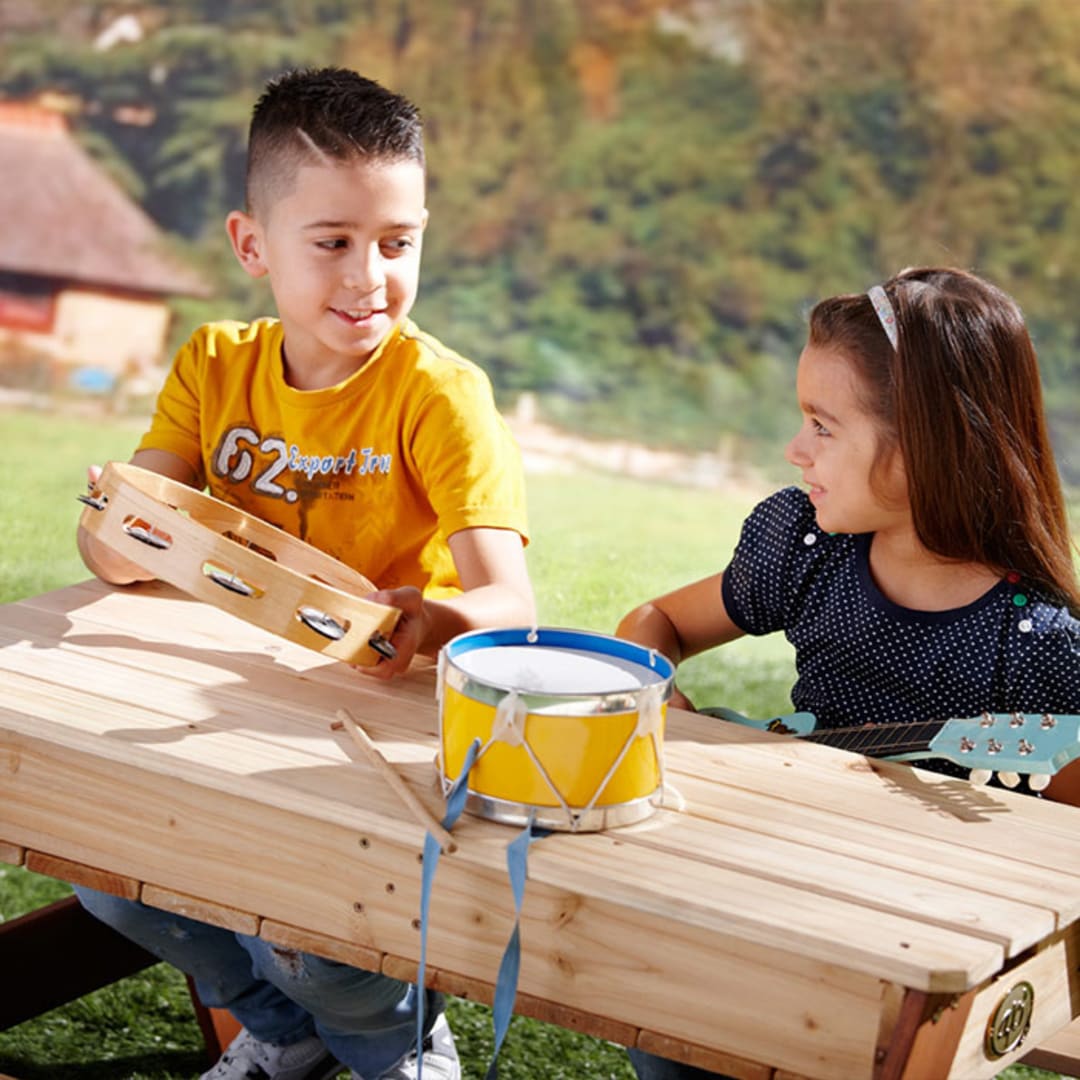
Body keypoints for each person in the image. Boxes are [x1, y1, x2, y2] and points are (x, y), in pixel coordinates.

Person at [75, 66, 535, 1080]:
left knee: (311, 944)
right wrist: (114, 525)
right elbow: (122, 536)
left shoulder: (441, 395)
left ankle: (401, 1048)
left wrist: (439, 614)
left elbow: (512, 600)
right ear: (253, 245)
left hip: (368, 731)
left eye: (396, 242)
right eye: (332, 243)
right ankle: (281, 1040)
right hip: (207, 706)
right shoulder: (213, 364)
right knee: (108, 881)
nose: (369, 278)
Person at [615, 267, 1080, 1080]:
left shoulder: (1035, 642)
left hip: (910, 931)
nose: (796, 450)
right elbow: (653, 624)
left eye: (823, 426)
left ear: (928, 446)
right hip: (778, 869)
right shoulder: (809, 548)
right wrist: (665, 697)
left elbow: (1063, 855)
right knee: (671, 1032)